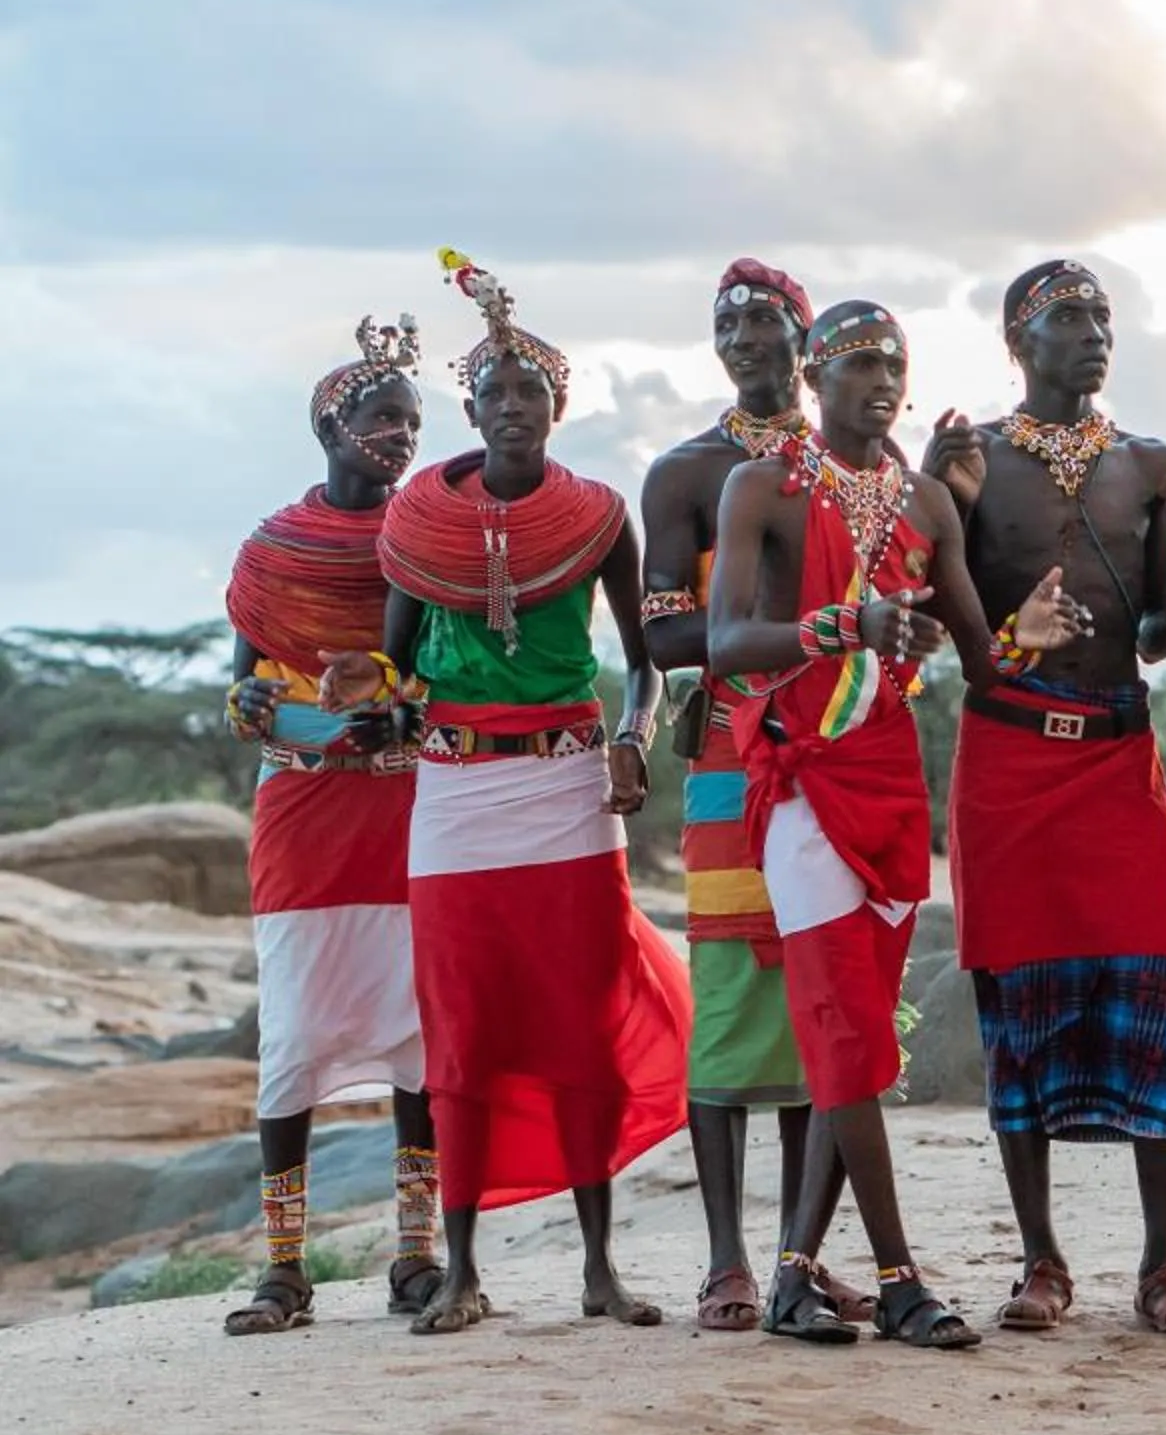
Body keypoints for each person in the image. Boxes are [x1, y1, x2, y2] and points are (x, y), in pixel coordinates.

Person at [333, 249, 691, 1336]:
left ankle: (597, 1269)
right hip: (454, 795)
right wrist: (372, 703)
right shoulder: (419, 528)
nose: (512, 409)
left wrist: (635, 738)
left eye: (530, 392)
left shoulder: (596, 516)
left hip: (568, 788)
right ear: (472, 407)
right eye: (494, 393)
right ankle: (463, 1271)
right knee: (463, 1023)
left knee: (579, 1023)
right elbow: (395, 674)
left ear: (557, 406)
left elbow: (648, 657)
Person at [710, 299, 1068, 1350]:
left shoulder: (925, 503)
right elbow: (728, 639)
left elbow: (981, 656)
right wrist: (841, 625)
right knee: (846, 1029)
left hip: (894, 784)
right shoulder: (763, 488)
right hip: (803, 779)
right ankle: (900, 1277)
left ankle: (788, 1280)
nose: (876, 378)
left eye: (891, 363)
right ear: (814, 379)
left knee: (852, 1035)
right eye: (855, 361)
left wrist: (1026, 635)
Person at [919, 259, 1166, 1338]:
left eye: (1102, 317)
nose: (1094, 334)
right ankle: (1041, 1260)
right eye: (1068, 318)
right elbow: (929, 614)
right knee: (1021, 1013)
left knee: (1152, 988)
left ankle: (1162, 1265)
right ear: (1017, 336)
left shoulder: (1146, 463)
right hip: (1007, 762)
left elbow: (1149, 630)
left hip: (1115, 756)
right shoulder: (974, 461)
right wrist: (940, 505)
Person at [640, 257, 871, 1335]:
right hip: (736, 750)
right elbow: (663, 634)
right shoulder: (690, 475)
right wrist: (780, 627)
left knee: (820, 990)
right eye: (725, 322)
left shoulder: (857, 461)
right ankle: (728, 1258)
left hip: (840, 744)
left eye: (765, 318)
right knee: (734, 990)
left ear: (803, 336)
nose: (744, 336)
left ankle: (800, 1252)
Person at [218, 316, 442, 1335]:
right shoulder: (271, 552)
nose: (398, 435)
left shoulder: (425, 541)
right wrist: (286, 713)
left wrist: (403, 706)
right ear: (330, 425)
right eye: (380, 416)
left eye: (412, 420)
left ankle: (416, 1254)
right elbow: (242, 695)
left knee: (417, 1035)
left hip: (402, 801)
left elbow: (447, 673)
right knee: (293, 1037)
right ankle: (282, 1271)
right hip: (304, 808)